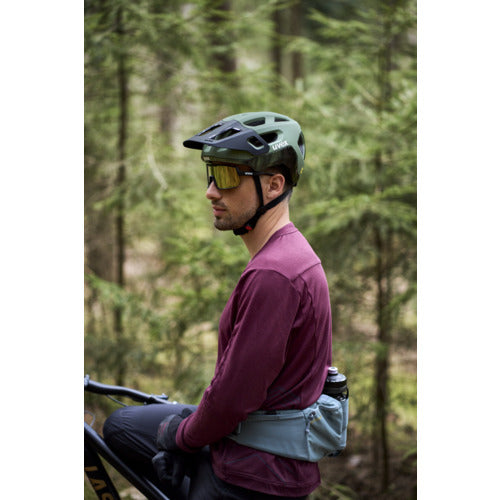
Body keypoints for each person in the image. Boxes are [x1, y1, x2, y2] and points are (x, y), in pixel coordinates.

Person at [103, 111, 333, 499]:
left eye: (226, 176)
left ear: (274, 185)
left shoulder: (275, 273)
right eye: (210, 174)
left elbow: (234, 396)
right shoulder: (290, 255)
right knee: (122, 425)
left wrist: (182, 440)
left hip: (253, 476)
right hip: (268, 455)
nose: (211, 191)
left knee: (132, 431)